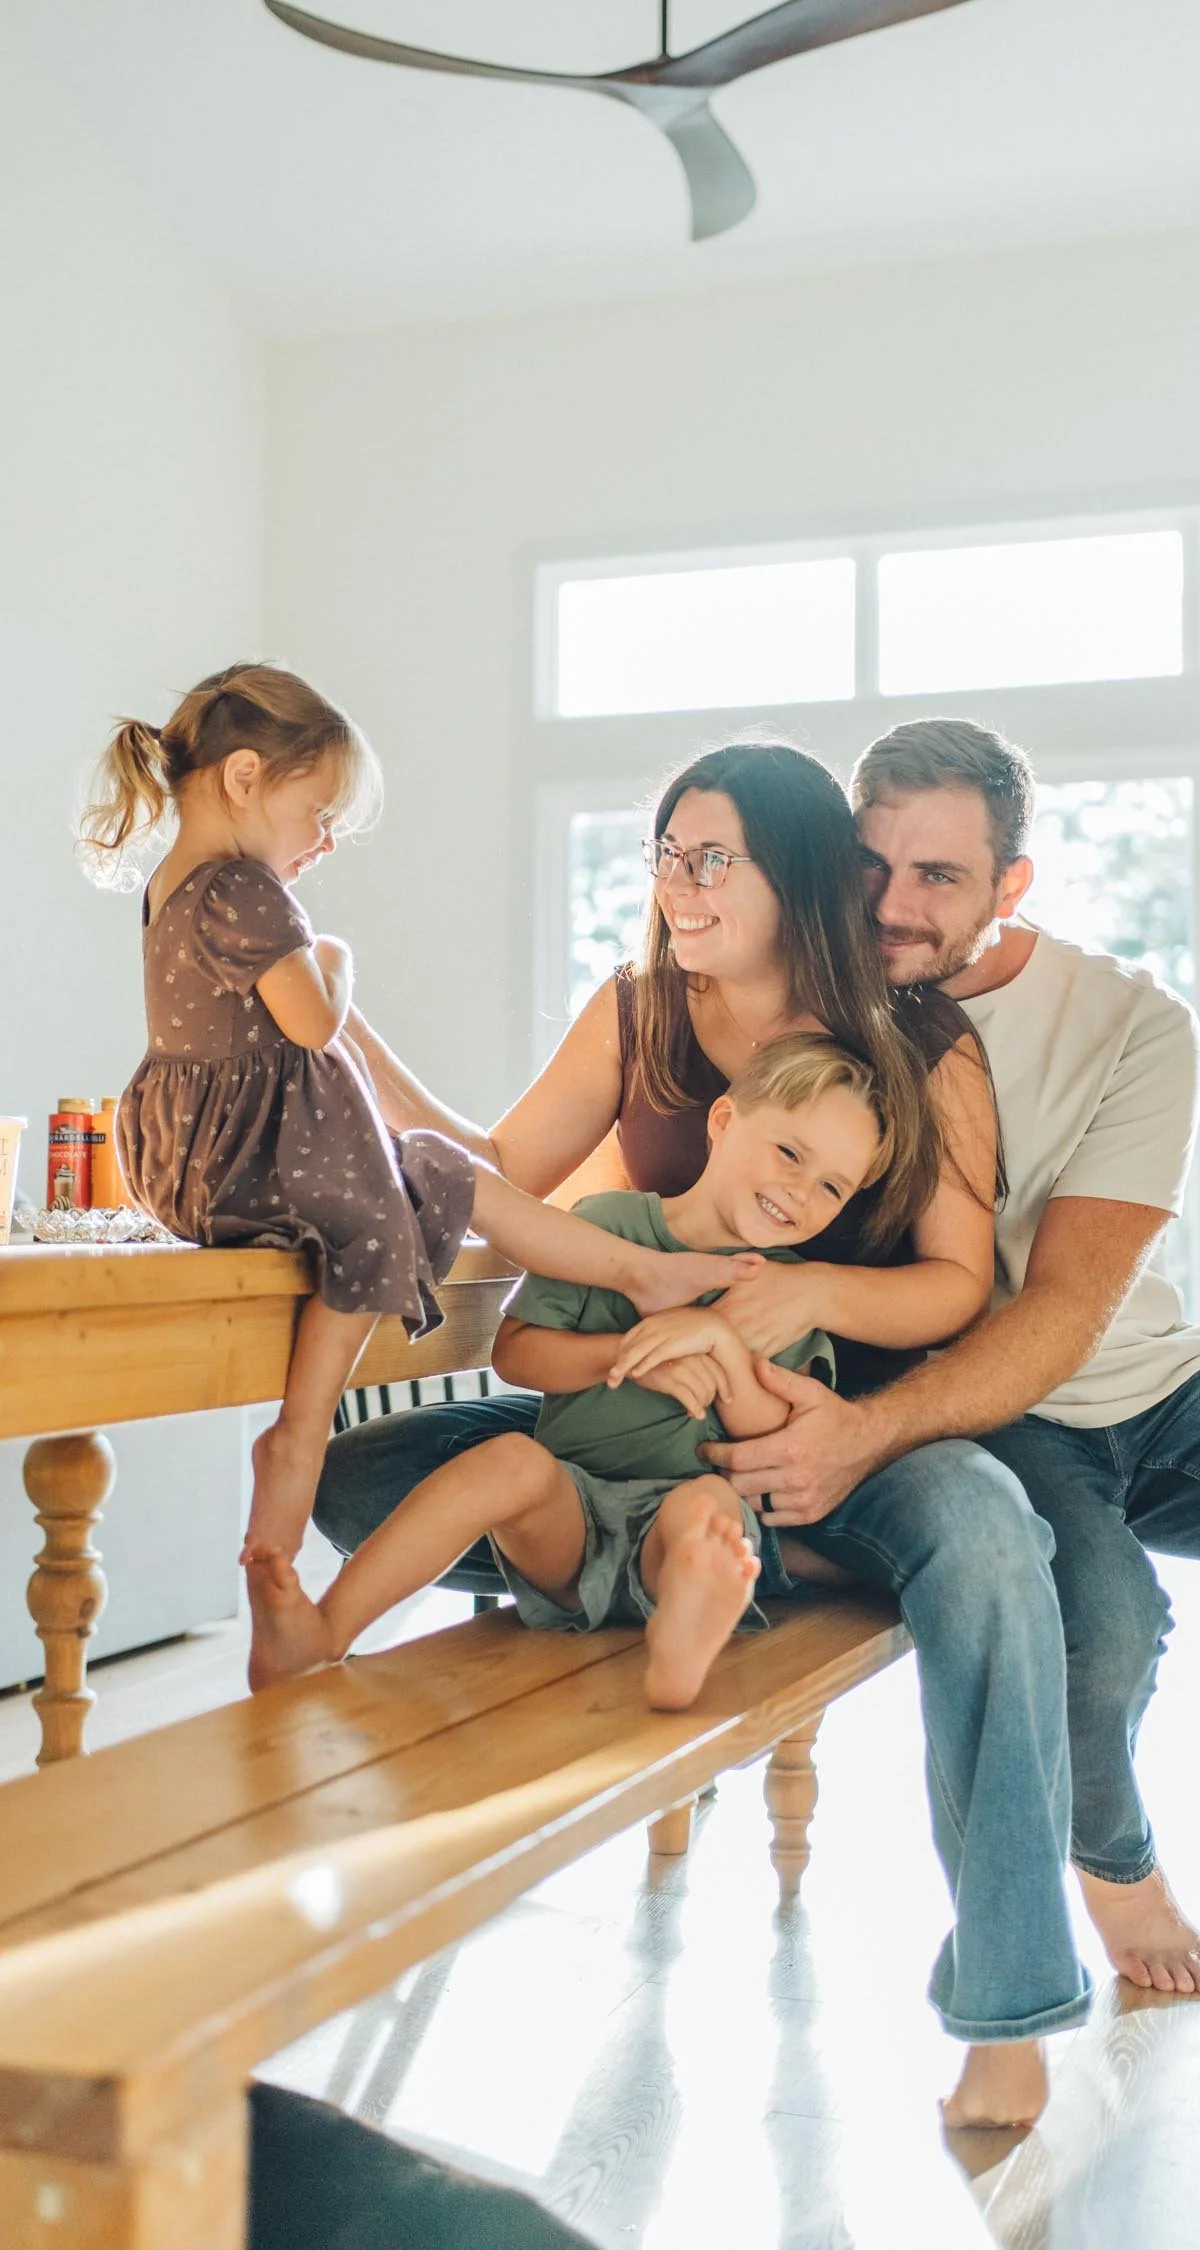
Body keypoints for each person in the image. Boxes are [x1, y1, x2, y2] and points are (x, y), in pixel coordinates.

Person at [701, 713, 1200, 2102]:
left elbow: (1069, 1309)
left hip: (1146, 1374)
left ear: (1013, 883)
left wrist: (865, 1436)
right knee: (1108, 1620)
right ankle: (1121, 1870)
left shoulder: (1132, 1022)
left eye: (940, 875)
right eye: (875, 865)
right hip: (995, 1416)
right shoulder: (823, 1015)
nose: (897, 904)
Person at [318, 739, 1085, 2130]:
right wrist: (341, 1036)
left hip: (837, 1428)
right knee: (358, 1474)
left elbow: (961, 1280)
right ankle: (687, 1560)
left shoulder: (917, 1040)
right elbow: (493, 1171)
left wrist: (795, 1299)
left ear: (792, 876)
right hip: (646, 1420)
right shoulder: (638, 1011)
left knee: (980, 1527)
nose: (680, 883)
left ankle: (1013, 1999)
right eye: (667, 854)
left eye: (712, 857)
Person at [79, 662, 758, 1666]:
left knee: (438, 1170)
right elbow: (314, 1023)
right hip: (246, 1157)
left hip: (186, 1160)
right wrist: (337, 961)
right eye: (317, 816)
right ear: (244, 778)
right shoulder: (245, 888)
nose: (320, 844)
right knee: (383, 1211)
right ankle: (304, 1426)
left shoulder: (174, 883)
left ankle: (625, 1273)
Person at [248, 1033, 933, 1710]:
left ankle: (686, 1626)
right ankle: (321, 1631)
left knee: (709, 1515)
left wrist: (723, 1350)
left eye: (832, 1188)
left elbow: (775, 1437)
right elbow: (515, 1355)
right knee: (508, 1461)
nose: (801, 1192)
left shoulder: (786, 1288)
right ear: (724, 1122)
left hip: (683, 1514)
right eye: (790, 1153)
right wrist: (627, 1357)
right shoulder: (606, 1229)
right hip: (570, 1513)